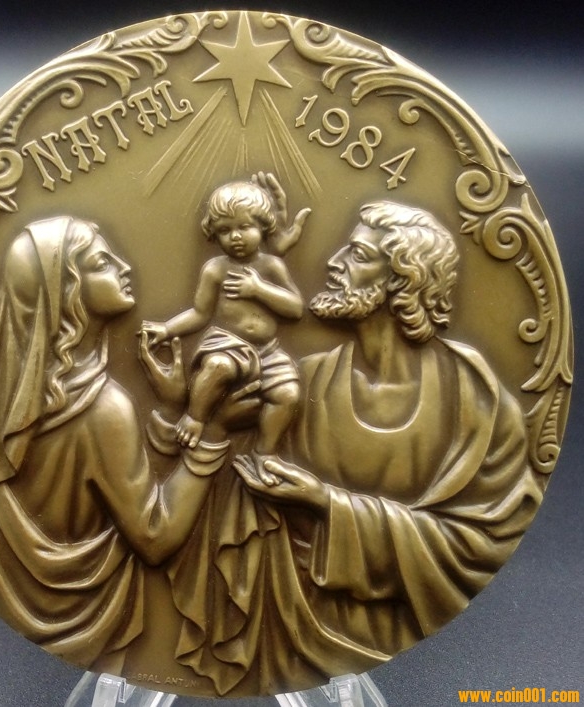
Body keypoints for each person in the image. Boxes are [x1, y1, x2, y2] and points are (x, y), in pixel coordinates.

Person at [222, 200, 545, 693]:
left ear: (402, 281)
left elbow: (482, 542)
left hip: (391, 625)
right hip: (291, 627)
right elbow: (229, 499)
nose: (333, 263)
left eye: (356, 255)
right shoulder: (305, 382)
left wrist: (325, 502)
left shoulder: (473, 397)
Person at [0, 216, 229, 672]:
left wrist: (169, 409)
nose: (125, 267)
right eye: (102, 263)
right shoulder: (102, 409)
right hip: (93, 620)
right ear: (65, 292)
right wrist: (214, 431)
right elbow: (155, 538)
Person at [141, 179, 303, 471]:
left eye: (245, 227)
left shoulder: (271, 267)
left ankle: (265, 453)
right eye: (225, 230)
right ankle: (195, 417)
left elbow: (295, 309)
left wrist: (259, 289)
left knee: (288, 394)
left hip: (268, 351)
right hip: (228, 344)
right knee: (218, 367)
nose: (235, 237)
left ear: (263, 226)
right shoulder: (215, 269)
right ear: (214, 233)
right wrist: (167, 329)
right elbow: (199, 313)